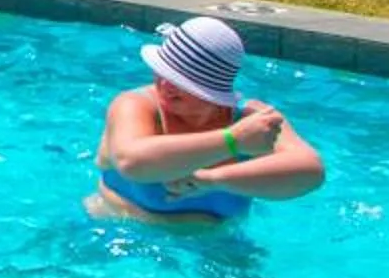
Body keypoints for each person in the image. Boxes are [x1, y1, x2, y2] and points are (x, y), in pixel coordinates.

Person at [91, 16, 326, 225]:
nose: (165, 84)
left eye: (181, 80)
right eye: (162, 71)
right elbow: (131, 162)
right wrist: (233, 141)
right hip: (119, 234)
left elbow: (311, 172)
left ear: (212, 90)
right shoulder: (136, 105)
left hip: (217, 247)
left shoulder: (248, 118)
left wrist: (214, 180)